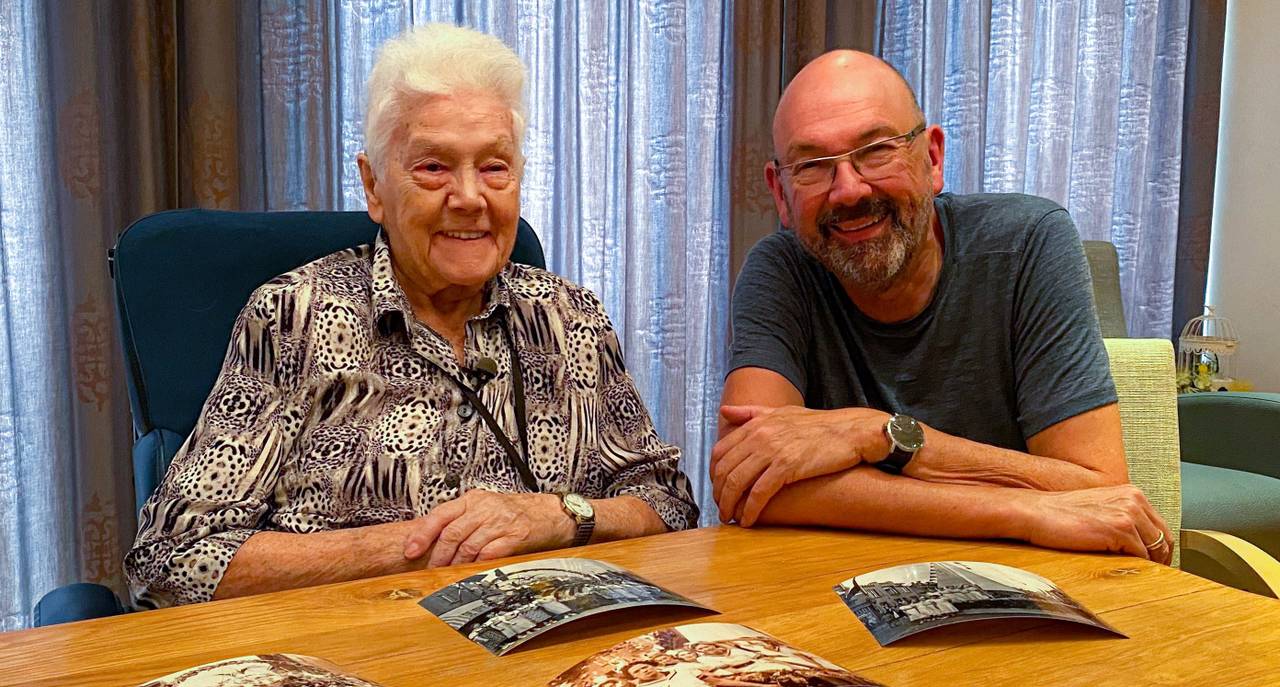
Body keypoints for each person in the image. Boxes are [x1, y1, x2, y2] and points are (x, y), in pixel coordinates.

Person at [125, 23, 698, 609]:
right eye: (433, 167)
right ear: (374, 186)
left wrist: (559, 516)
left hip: (546, 643)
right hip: (356, 648)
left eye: (494, 167)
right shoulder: (292, 317)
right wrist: (424, 546)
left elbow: (669, 504)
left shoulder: (569, 316)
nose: (470, 197)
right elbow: (171, 558)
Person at [712, 49, 1172, 564]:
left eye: (876, 151)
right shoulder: (780, 270)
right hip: (838, 582)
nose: (848, 190)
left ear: (932, 158)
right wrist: (1024, 510)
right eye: (812, 167)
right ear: (780, 193)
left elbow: (1099, 489)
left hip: (1030, 579)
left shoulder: (1029, 242)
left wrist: (875, 434)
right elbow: (746, 482)